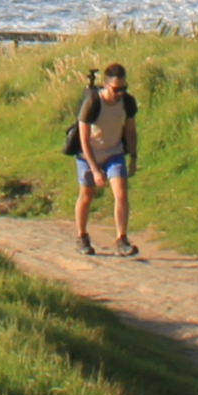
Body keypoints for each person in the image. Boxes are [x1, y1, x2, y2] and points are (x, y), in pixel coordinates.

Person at [75, 62, 139, 256]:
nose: (120, 93)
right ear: (105, 85)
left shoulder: (127, 102)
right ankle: (82, 237)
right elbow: (83, 139)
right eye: (116, 89)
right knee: (87, 196)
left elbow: (130, 131)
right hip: (88, 155)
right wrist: (94, 170)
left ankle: (122, 239)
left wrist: (133, 158)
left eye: (123, 89)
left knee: (121, 194)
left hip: (114, 153)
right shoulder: (92, 103)